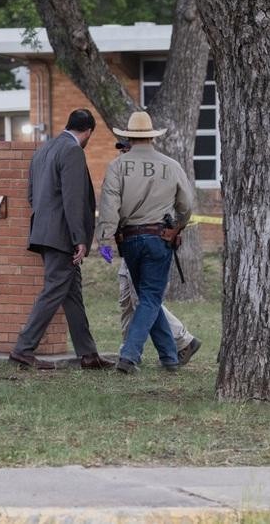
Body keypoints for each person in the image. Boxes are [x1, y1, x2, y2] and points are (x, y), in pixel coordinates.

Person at [9, 109, 114, 371]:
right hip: (62, 236)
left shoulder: (43, 150)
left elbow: (32, 196)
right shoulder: (72, 150)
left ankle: (88, 354)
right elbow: (73, 198)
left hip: (44, 232)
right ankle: (23, 349)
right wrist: (79, 238)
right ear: (88, 131)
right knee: (54, 290)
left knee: (72, 293)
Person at [96, 111, 193, 374]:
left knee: (147, 297)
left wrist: (104, 240)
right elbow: (186, 206)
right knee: (150, 297)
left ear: (128, 137)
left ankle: (169, 357)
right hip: (159, 238)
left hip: (129, 240)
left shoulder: (117, 166)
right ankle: (129, 356)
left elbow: (109, 207)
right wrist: (178, 226)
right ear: (152, 137)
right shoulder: (171, 165)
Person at [111, 138, 202, 365]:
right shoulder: (125, 169)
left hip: (146, 239)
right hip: (132, 240)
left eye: (127, 148)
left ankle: (134, 352)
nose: (124, 152)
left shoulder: (159, 168)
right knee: (133, 298)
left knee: (145, 298)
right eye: (122, 149)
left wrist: (176, 227)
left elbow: (184, 206)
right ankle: (168, 354)